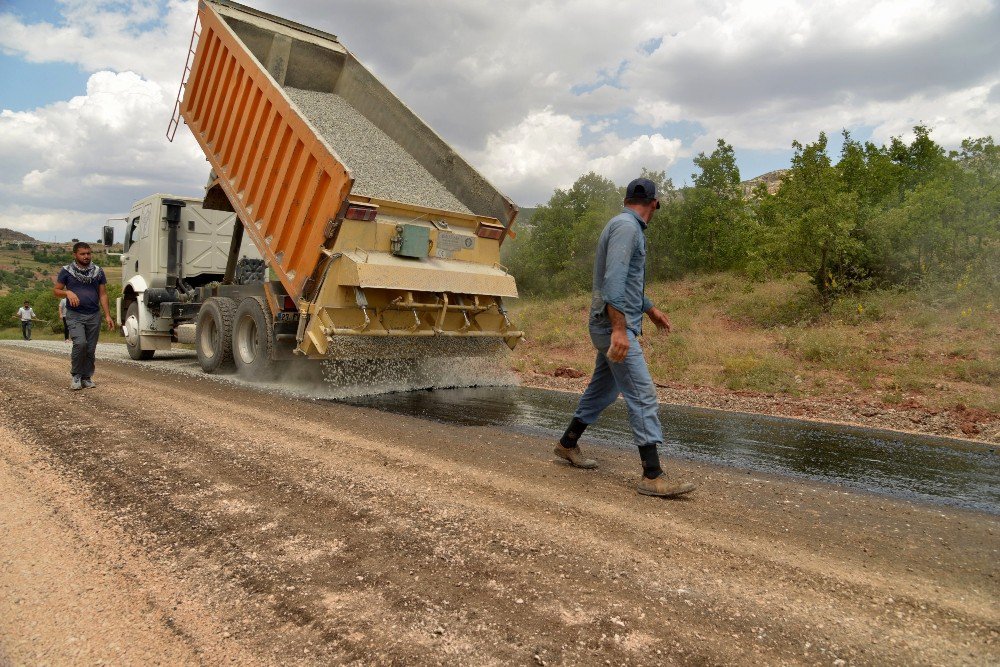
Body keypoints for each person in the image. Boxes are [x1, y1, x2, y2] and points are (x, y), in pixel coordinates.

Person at [553, 177, 696, 498]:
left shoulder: (624, 226)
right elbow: (613, 281)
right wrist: (619, 328)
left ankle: (567, 444)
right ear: (654, 202)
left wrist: (651, 310)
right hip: (611, 326)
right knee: (643, 393)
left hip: (611, 323)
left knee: (602, 390)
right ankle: (652, 475)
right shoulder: (628, 228)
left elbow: (628, 282)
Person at [54, 242, 115, 390]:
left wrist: (107, 315)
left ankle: (87, 377)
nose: (86, 256)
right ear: (75, 255)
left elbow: (103, 294)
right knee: (80, 344)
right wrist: (67, 292)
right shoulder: (66, 271)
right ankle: (76, 375)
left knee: (90, 348)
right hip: (74, 314)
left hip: (94, 315)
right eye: (82, 254)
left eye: (88, 253)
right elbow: (56, 291)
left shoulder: (98, 271)